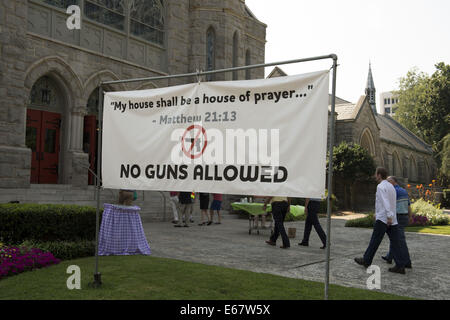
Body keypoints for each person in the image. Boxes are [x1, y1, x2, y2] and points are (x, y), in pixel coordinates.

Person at [354, 167, 407, 274]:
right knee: (395, 242)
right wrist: (388, 215)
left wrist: (388, 216)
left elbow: (385, 201)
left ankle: (366, 260)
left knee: (375, 240)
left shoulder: (380, 186)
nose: (375, 176)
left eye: (375, 174)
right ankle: (400, 265)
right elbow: (391, 203)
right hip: (391, 219)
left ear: (379, 175)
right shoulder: (391, 186)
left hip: (384, 219)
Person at [382, 176, 412, 268]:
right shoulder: (403, 191)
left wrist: (387, 218)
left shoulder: (393, 191)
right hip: (404, 216)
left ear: (392, 181)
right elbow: (408, 205)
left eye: (388, 181)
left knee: (400, 241)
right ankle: (389, 257)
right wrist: (410, 217)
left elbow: (389, 207)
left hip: (397, 217)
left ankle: (407, 262)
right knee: (395, 238)